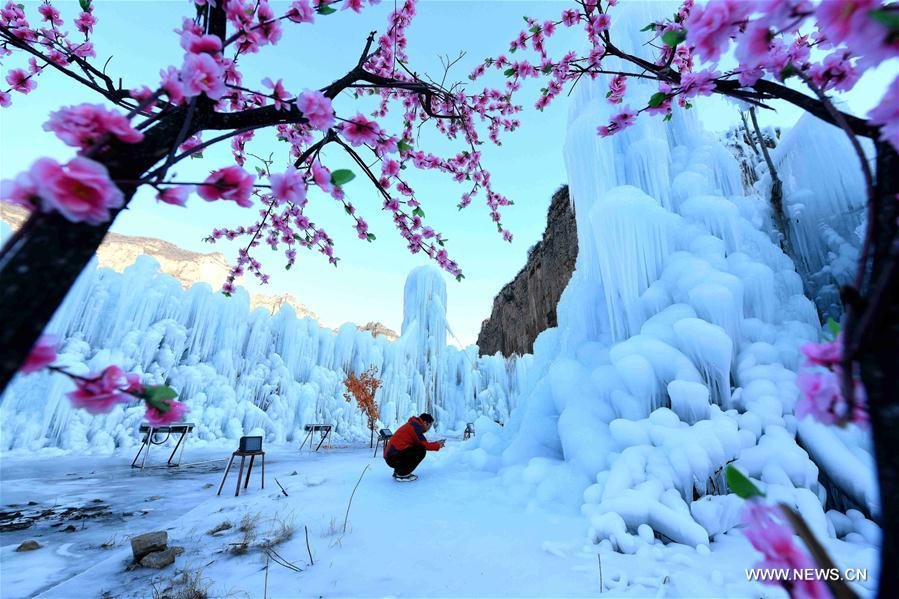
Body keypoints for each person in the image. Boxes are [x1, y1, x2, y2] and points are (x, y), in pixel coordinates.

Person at [383, 413, 445, 480]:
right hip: (392, 457)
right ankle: (402, 474)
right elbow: (424, 445)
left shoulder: (413, 425)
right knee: (421, 450)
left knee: (416, 447)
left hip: (391, 456)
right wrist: (438, 445)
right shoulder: (415, 427)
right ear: (425, 423)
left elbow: (420, 443)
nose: (429, 428)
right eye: (430, 426)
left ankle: (398, 472)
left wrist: (436, 443)